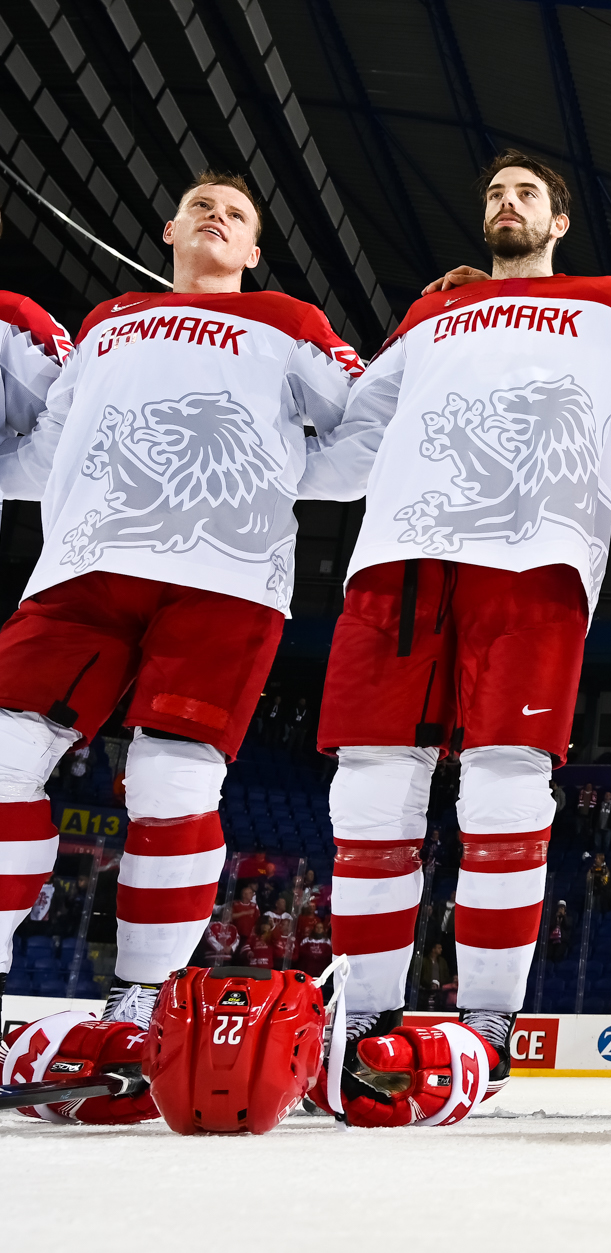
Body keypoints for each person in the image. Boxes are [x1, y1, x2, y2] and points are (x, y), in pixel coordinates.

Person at [307, 148, 611, 1113]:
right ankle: (368, 1021)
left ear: (559, 223)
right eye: (494, 191)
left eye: (526, 193)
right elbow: (353, 437)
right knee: (369, 785)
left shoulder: (608, 305)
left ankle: (488, 1025)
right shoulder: (430, 311)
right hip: (401, 555)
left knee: (504, 780)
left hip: (535, 557)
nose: (506, 202)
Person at [0, 172, 361, 1038]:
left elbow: (367, 428)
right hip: (81, 570)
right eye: (201, 206)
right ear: (168, 229)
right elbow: (50, 448)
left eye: (236, 214)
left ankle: (142, 1005)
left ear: (253, 251)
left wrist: (279, 484)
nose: (217, 217)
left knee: (172, 779)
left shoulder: (290, 322)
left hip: (224, 579)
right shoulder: (106, 322)